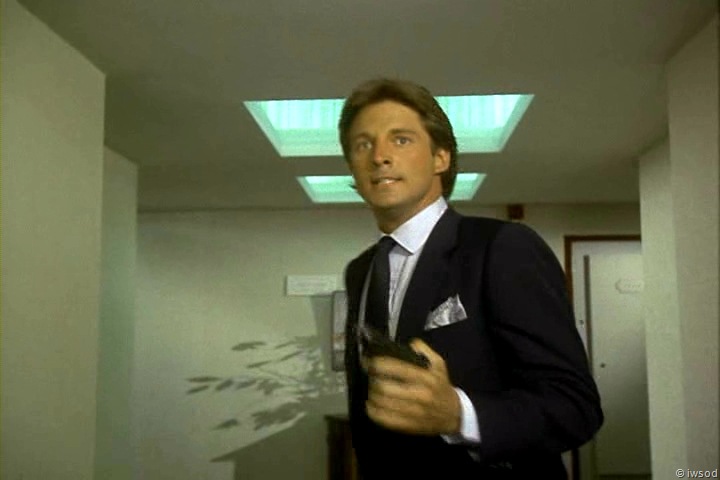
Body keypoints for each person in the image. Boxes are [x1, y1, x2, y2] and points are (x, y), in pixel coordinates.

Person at [338, 78, 603, 479]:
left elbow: (575, 407)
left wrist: (458, 414)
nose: (379, 156)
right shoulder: (360, 270)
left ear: (441, 158)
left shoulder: (503, 247)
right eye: (363, 145)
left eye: (401, 140)